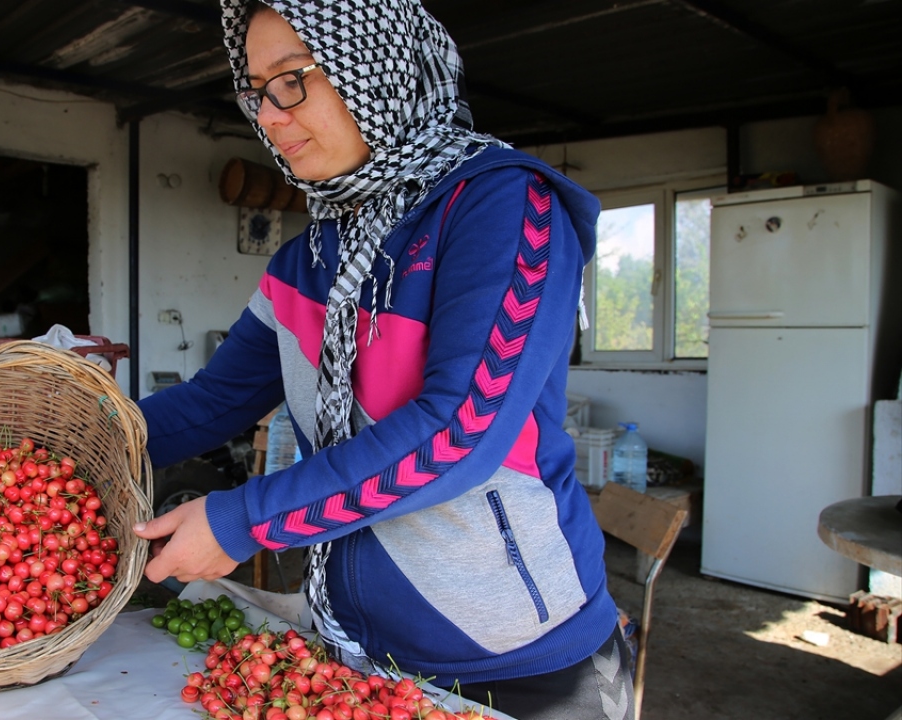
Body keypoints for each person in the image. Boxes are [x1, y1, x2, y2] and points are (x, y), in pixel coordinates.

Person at [134, 1, 633, 718]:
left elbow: (457, 433)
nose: (269, 116)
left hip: (517, 660)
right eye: (254, 90)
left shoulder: (501, 207)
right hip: (362, 654)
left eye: (291, 80)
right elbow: (213, 402)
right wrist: (81, 442)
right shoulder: (306, 260)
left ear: (377, 67)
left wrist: (244, 519)